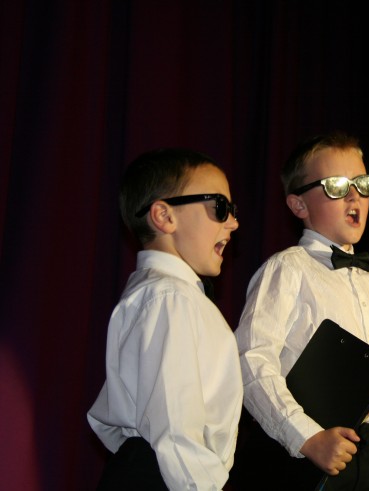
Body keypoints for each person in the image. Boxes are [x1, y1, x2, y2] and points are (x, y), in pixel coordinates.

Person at [231, 132, 369, 490]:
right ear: (299, 205)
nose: (354, 195)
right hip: (300, 456)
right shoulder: (288, 269)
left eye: (362, 184)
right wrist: (306, 436)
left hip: (368, 460)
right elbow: (250, 359)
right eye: (336, 186)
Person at [87, 148, 243, 490]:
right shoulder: (171, 299)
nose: (233, 222)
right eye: (220, 207)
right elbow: (175, 431)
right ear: (163, 216)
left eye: (233, 211)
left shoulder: (159, 294)